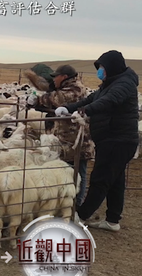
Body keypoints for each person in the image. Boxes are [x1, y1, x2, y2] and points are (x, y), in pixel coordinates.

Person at [56, 50, 139, 231]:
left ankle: (81, 215)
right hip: (113, 138)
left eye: (102, 67)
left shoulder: (123, 84)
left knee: (101, 178)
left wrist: (85, 112)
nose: (100, 71)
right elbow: (92, 98)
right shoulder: (111, 83)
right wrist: (68, 107)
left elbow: (109, 101)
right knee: (115, 180)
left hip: (118, 140)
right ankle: (112, 220)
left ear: (111, 67)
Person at [25, 65, 94, 205]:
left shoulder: (75, 89)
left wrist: (38, 100)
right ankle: (63, 203)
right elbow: (54, 105)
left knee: (77, 172)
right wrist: (37, 104)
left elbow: (59, 99)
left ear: (64, 77)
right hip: (65, 139)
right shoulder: (66, 88)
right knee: (64, 171)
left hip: (76, 140)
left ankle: (76, 204)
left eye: (55, 76)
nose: (54, 80)